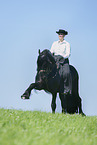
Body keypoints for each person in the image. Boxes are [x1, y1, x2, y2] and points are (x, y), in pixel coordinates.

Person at [50, 29, 72, 94]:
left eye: (62, 34)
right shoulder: (54, 43)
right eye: (59, 34)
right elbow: (51, 51)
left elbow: (68, 54)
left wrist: (62, 57)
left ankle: (66, 89)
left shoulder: (67, 44)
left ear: (64, 35)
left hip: (63, 60)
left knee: (67, 73)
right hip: (55, 59)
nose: (60, 35)